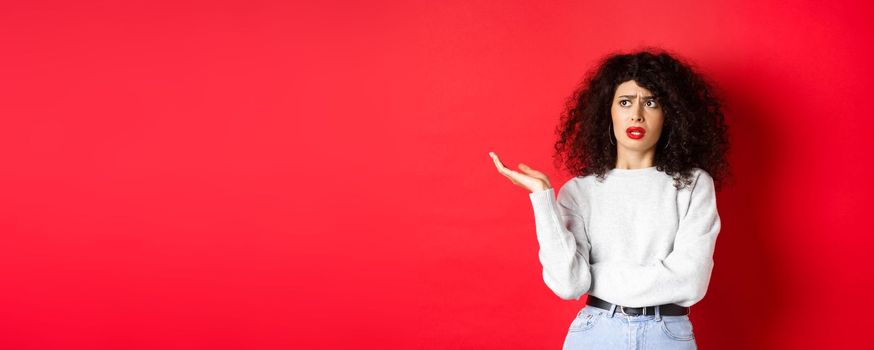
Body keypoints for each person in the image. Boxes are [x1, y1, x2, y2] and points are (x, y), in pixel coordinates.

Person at [489, 48, 730, 349]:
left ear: (670, 114)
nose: (636, 114)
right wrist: (542, 198)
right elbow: (569, 284)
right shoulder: (579, 192)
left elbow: (691, 281)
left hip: (667, 335)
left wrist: (594, 274)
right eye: (625, 102)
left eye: (651, 102)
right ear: (609, 111)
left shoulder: (693, 184)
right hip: (595, 332)